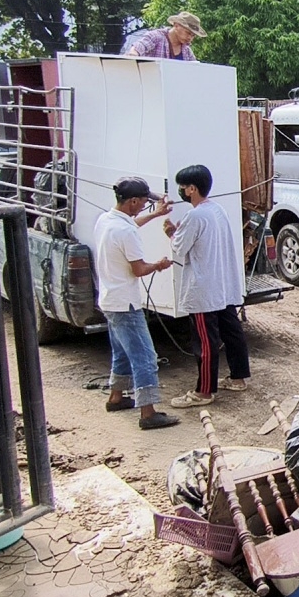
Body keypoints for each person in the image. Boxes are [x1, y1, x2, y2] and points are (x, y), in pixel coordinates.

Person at [92, 177, 179, 430]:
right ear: (132, 201)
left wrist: (155, 215)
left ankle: (116, 397)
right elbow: (139, 269)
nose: (145, 206)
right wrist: (159, 265)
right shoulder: (126, 231)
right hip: (125, 303)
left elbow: (130, 226)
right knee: (145, 356)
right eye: (143, 202)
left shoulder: (106, 220)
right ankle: (148, 412)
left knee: (121, 352)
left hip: (109, 299)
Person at [163, 165, 251, 408]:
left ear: (192, 189)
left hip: (203, 286)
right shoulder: (217, 210)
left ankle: (204, 392)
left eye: (182, 187)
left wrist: (171, 232)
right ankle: (238, 377)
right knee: (231, 331)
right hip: (222, 283)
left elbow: (179, 248)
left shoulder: (195, 215)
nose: (181, 191)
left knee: (205, 340)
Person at [127, 12, 206, 61]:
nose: (190, 38)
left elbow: (193, 69)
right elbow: (139, 46)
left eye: (193, 36)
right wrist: (133, 54)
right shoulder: (156, 36)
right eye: (188, 33)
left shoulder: (187, 51)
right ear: (176, 25)